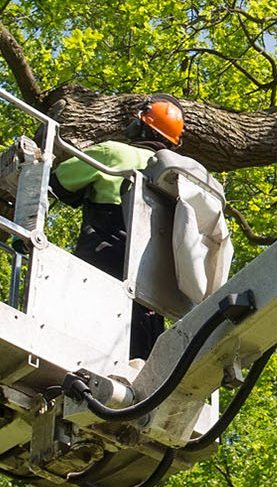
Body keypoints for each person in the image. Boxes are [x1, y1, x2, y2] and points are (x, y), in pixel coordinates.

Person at [51, 95, 185, 359]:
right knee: (139, 372)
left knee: (78, 358)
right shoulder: (180, 182)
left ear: (140, 126)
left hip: (99, 273)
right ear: (174, 143)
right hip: (150, 298)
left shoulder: (113, 153)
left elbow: (58, 183)